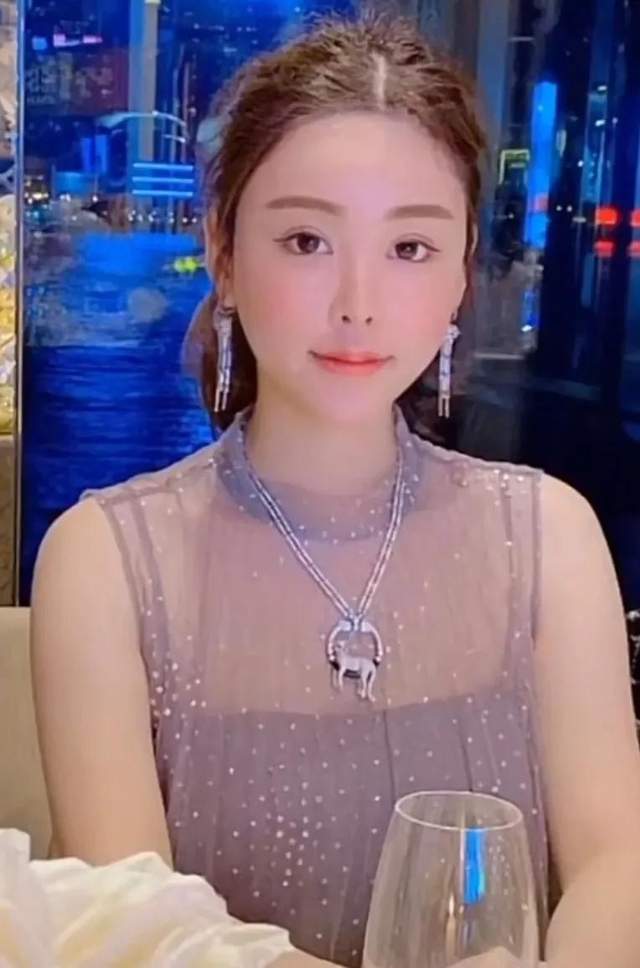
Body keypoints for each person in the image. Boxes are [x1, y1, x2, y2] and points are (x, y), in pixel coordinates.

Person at [30, 13, 640, 968]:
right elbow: (138, 931)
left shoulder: (548, 535)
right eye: (307, 240)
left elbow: (618, 861)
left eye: (410, 249)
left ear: (460, 275)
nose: (359, 302)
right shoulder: (105, 563)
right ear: (225, 253)